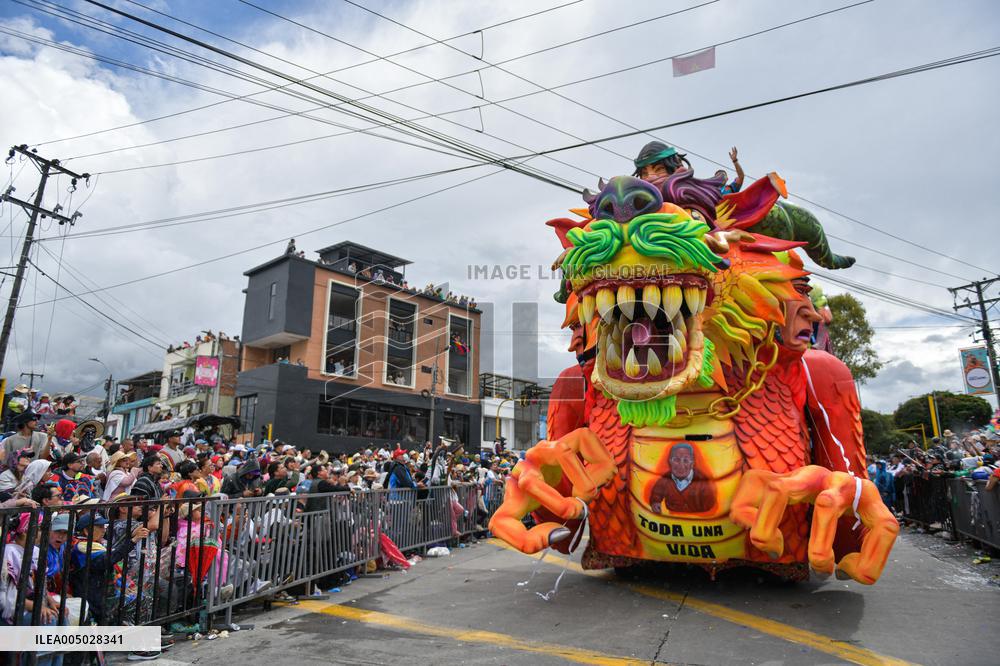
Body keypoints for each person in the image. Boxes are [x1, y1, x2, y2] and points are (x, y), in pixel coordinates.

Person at [1, 513, 64, 666]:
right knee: (48, 620)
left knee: (61, 617)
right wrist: (38, 608)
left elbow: (39, 585)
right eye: (39, 528)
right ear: (25, 531)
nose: (42, 533)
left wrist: (50, 602)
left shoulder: (34, 551)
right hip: (11, 614)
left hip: (31, 607)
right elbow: (7, 601)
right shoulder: (9, 553)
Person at [648, 442, 715, 514]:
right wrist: (655, 502)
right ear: (670, 461)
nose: (681, 466)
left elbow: (710, 504)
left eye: (686, 460)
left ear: (692, 463)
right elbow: (657, 492)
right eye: (676, 460)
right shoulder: (665, 479)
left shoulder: (702, 482)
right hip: (671, 518)